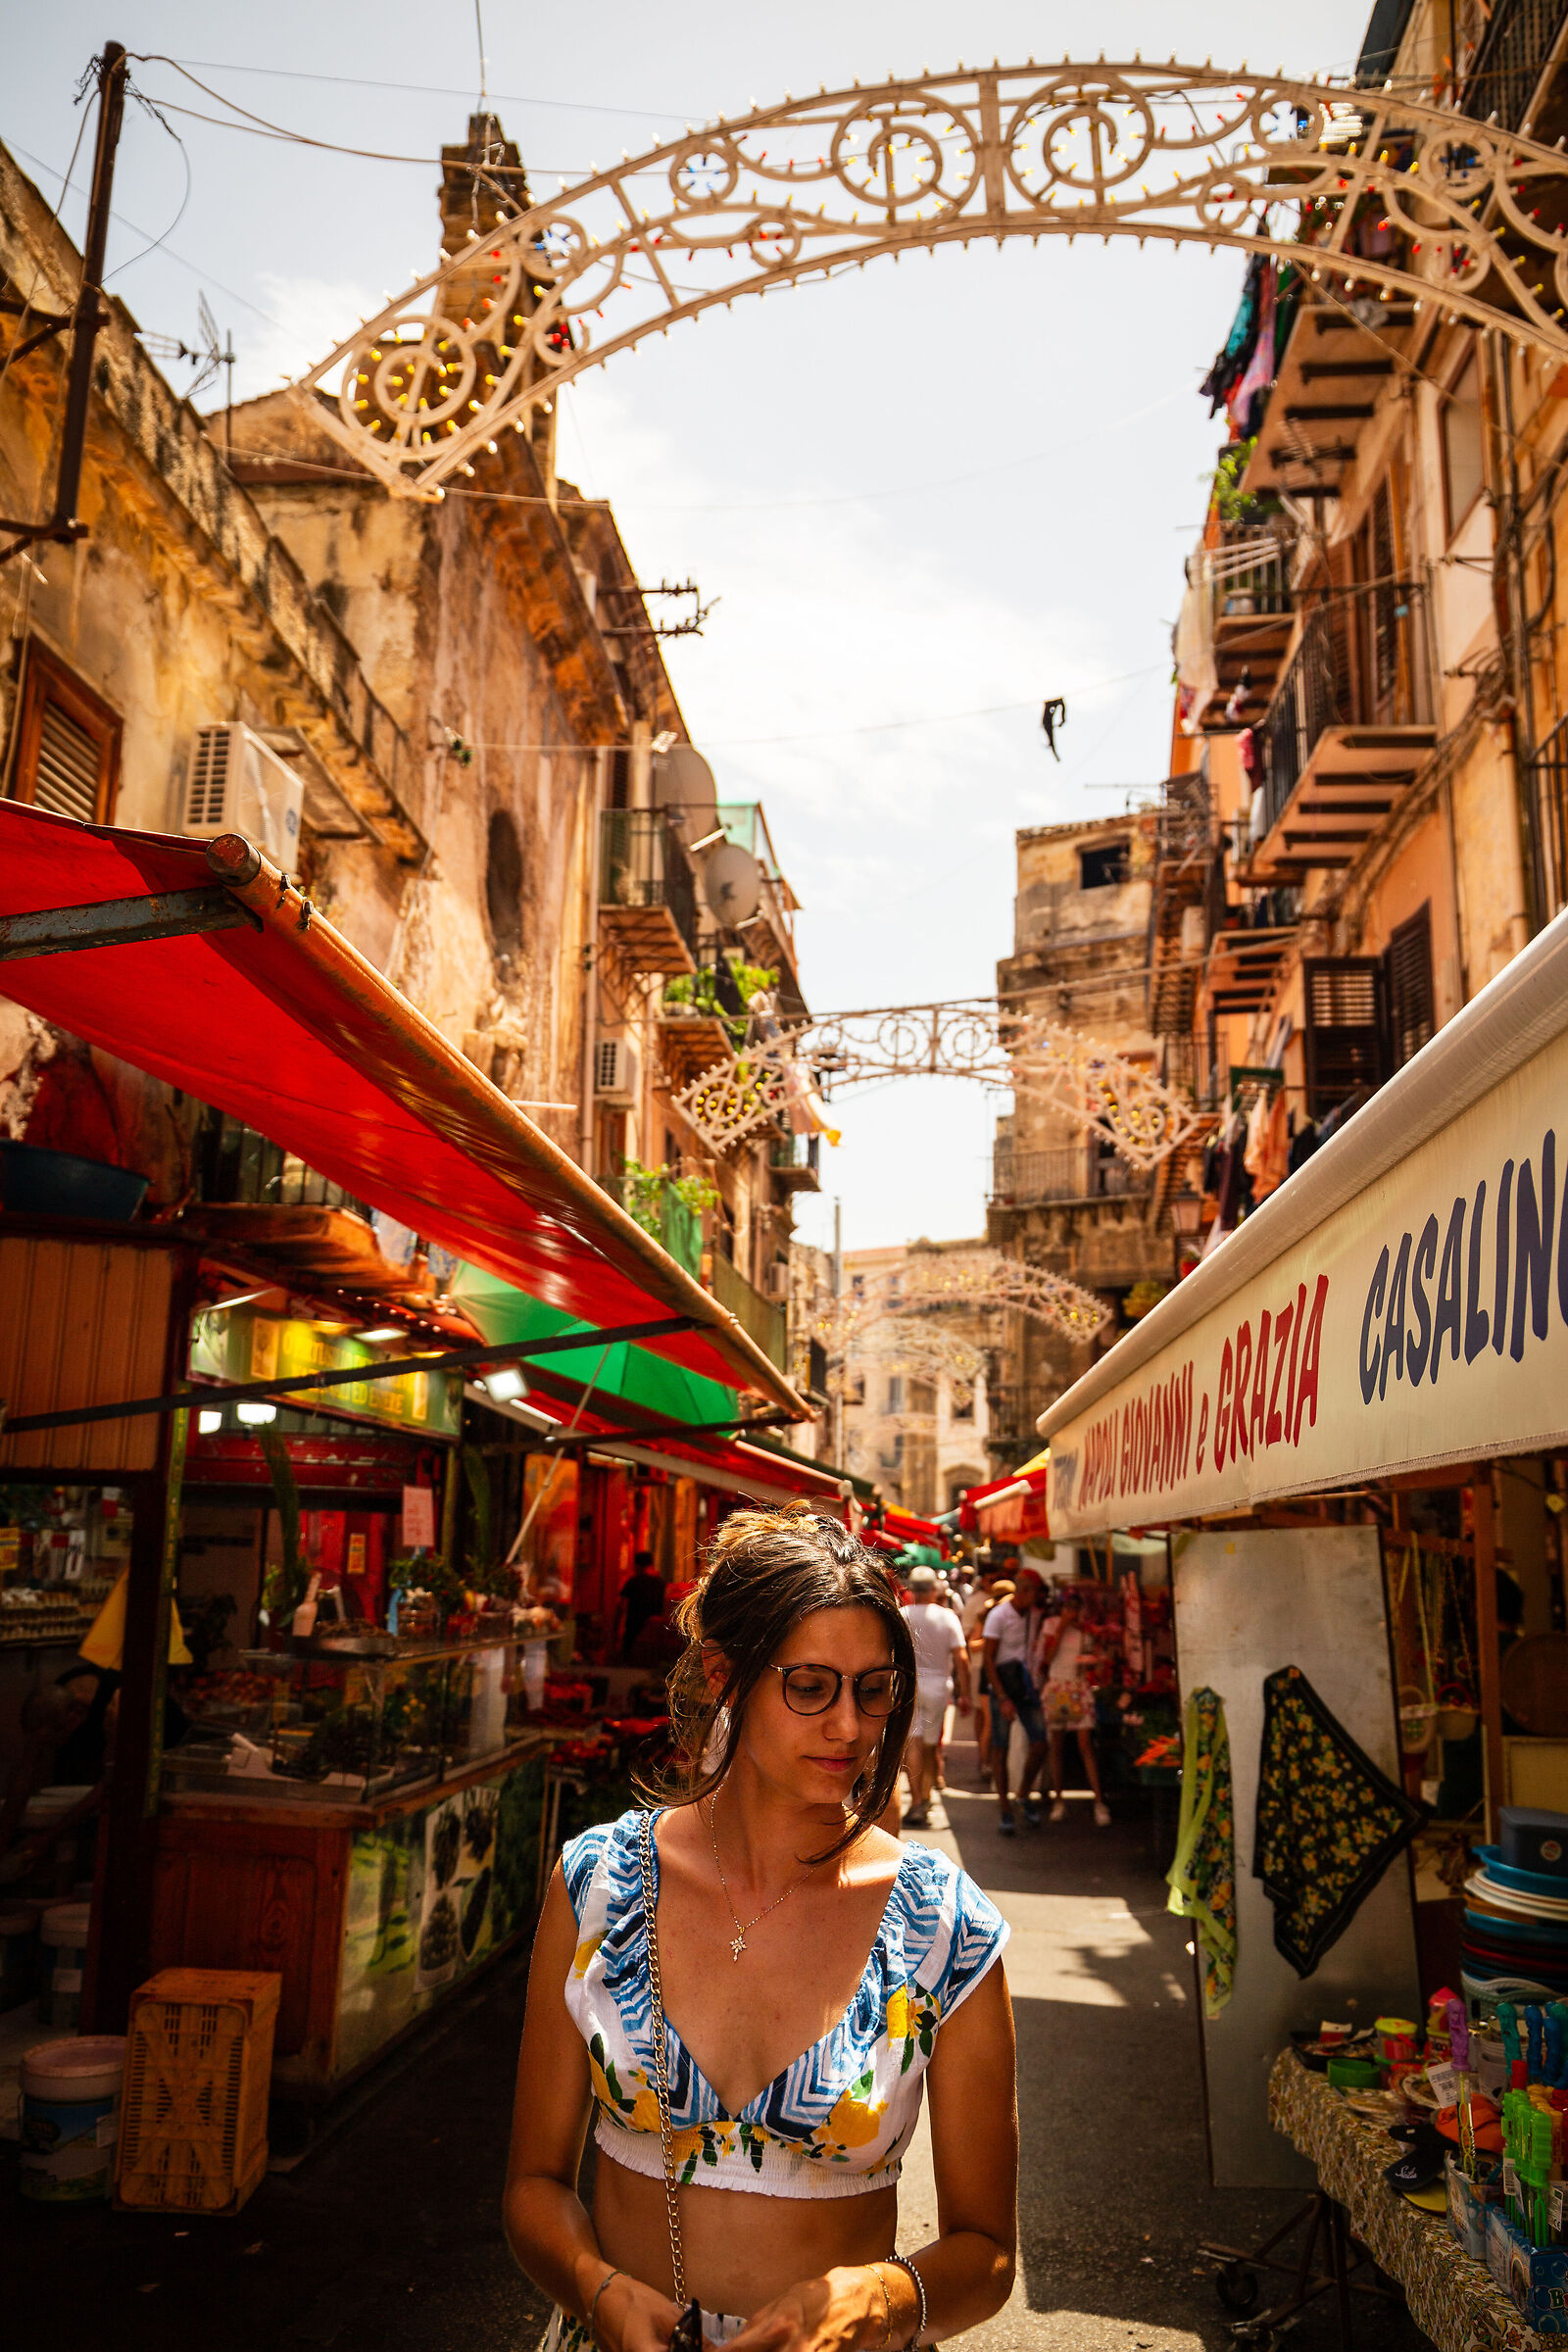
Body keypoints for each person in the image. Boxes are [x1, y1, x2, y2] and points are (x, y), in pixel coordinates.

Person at [504, 1504, 1018, 2352]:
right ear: (720, 1675)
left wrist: (885, 2297)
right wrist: (597, 2292)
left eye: (876, 1688)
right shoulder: (598, 1884)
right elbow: (532, 2183)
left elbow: (988, 2253)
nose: (850, 1727)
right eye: (810, 1687)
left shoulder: (945, 1925)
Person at [898, 1565, 969, 1830]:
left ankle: (916, 1799)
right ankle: (924, 1798)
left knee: (912, 1743)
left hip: (909, 1684)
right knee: (930, 1745)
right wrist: (967, 1692)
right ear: (933, 1590)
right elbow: (961, 1657)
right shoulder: (947, 1617)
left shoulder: (902, 1615)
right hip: (939, 1685)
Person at [1034, 1588, 1110, 1829]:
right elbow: (1047, 1657)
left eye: (1075, 1608)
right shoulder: (1051, 1625)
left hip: (1078, 1686)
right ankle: (1058, 1799)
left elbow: (1093, 1658)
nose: (1071, 1612)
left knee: (1084, 1743)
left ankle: (1099, 1801)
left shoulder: (1084, 1631)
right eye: (1068, 1607)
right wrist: (1061, 1629)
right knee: (1056, 1744)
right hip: (1057, 1685)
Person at [981, 1566, 1050, 1838]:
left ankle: (1022, 1794)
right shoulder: (999, 1615)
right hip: (1005, 1689)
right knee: (1000, 1747)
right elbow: (988, 1658)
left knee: (1040, 1742)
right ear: (1023, 1591)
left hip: (1026, 1688)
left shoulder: (1034, 1615)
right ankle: (1005, 1807)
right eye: (1034, 1591)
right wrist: (1001, 1696)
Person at [617, 1549, 667, 1662]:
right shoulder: (660, 1583)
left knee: (630, 1656)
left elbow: (622, 1605)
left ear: (637, 1565)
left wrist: (616, 1627)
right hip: (653, 1625)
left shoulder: (633, 1581)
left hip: (633, 1624)